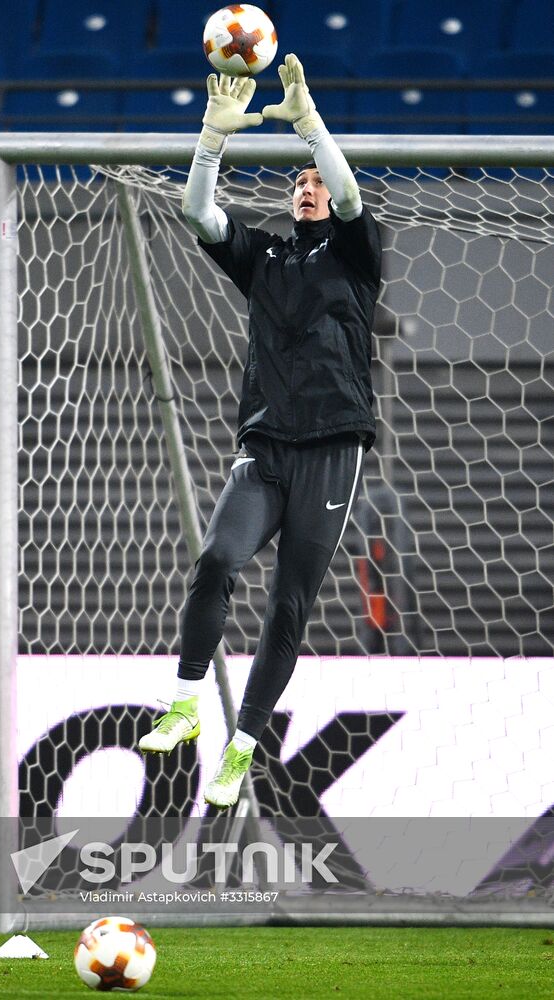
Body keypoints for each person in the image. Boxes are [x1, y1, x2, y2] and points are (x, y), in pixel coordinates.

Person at [138, 54, 382, 809]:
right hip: (267, 449)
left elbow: (346, 192)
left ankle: (242, 743)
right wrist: (210, 141)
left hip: (334, 448)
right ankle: (183, 703)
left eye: (315, 182)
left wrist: (312, 130)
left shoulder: (358, 253)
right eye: (298, 184)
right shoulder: (267, 258)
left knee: (289, 605)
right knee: (216, 560)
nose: (308, 189)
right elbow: (199, 216)